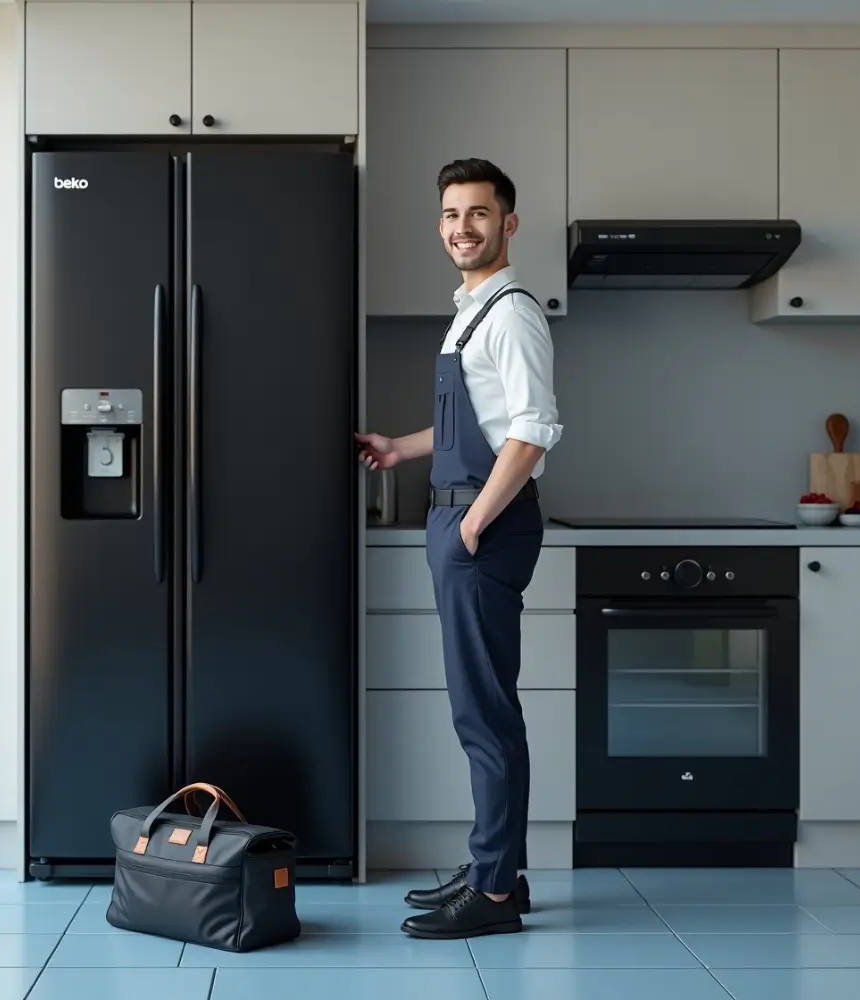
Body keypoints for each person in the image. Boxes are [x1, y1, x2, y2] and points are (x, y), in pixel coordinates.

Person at [356, 158, 562, 940]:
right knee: (480, 708)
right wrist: (399, 448)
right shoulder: (474, 310)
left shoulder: (511, 313)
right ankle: (494, 870)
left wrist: (474, 522)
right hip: (462, 522)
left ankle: (496, 893)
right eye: (451, 214)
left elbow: (532, 431)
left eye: (478, 213)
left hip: (483, 528)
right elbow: (473, 422)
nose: (462, 228)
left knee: (485, 713)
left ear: (509, 223)